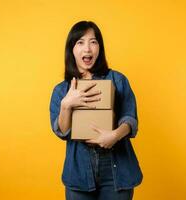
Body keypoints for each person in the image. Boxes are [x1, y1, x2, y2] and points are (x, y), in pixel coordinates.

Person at [49, 21, 143, 200]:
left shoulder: (117, 79)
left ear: (99, 47)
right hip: (79, 171)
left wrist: (115, 135)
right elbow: (62, 132)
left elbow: (130, 118)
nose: (88, 49)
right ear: (72, 49)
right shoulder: (61, 90)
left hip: (117, 168)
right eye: (80, 42)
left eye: (93, 42)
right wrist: (66, 104)